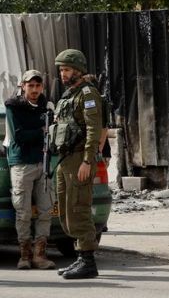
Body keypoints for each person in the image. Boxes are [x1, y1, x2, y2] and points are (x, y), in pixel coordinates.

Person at [50, 49, 103, 279]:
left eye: (67, 69)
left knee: (79, 208)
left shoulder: (88, 94)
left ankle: (88, 261)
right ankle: (80, 257)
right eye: (61, 69)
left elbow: (94, 130)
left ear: (78, 70)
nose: (63, 73)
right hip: (65, 160)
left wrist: (87, 161)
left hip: (79, 159)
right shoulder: (69, 95)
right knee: (66, 211)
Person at [4, 70, 55, 270]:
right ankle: (24, 255)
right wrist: (41, 130)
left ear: (42, 87)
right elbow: (18, 136)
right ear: (22, 86)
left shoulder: (47, 106)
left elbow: (53, 132)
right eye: (30, 85)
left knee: (45, 210)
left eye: (38, 85)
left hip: (43, 162)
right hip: (21, 163)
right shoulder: (13, 106)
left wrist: (43, 130)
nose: (34, 90)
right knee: (23, 212)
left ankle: (39, 254)